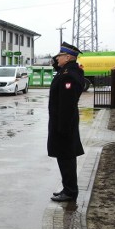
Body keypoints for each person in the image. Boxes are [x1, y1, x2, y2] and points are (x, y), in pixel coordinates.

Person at [48, 42, 85, 202]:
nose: (57, 58)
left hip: (64, 124)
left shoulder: (69, 75)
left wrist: (62, 127)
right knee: (64, 157)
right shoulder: (67, 72)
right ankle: (67, 188)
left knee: (66, 157)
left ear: (68, 57)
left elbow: (67, 105)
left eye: (60, 56)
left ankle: (70, 191)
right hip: (63, 123)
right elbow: (60, 71)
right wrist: (56, 62)